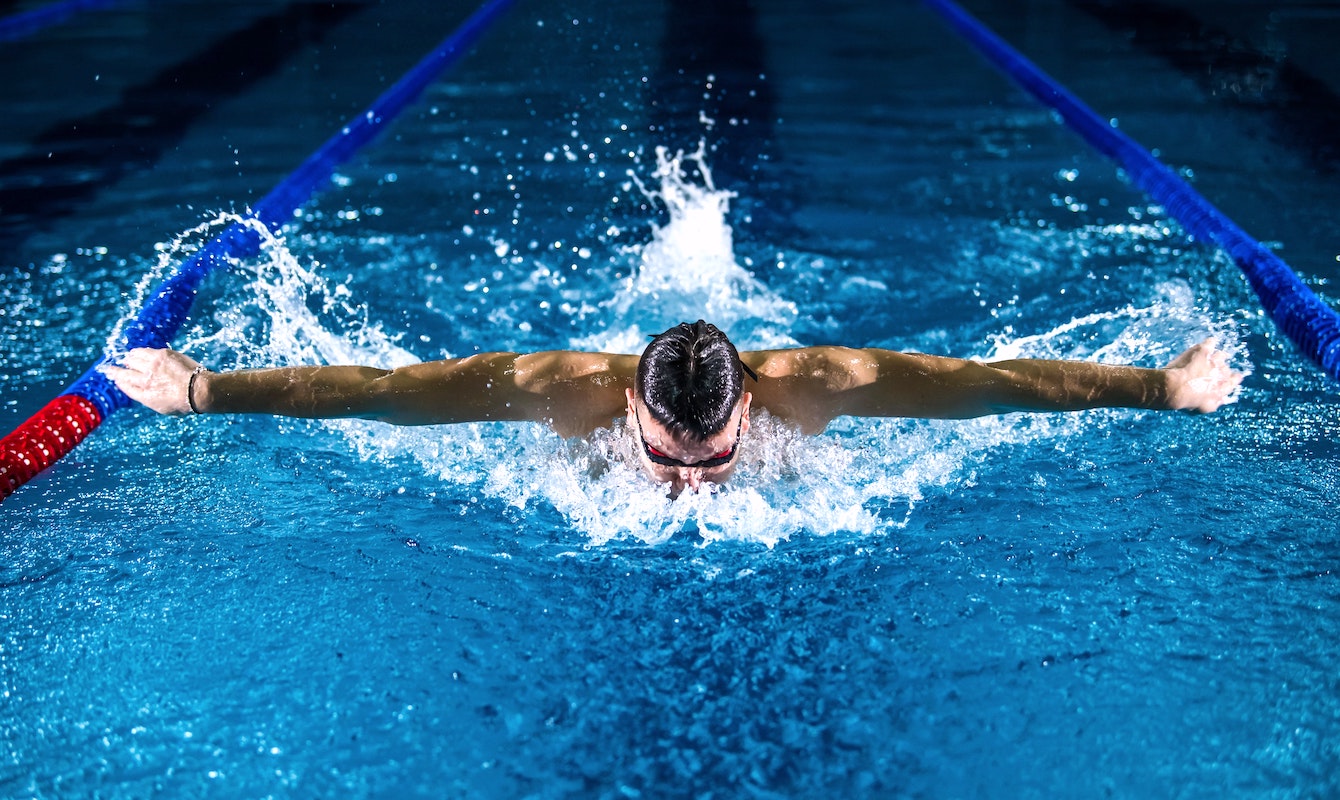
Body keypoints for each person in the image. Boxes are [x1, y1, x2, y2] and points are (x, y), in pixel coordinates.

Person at [104, 320, 1243, 495]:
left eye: (707, 459)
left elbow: (994, 385)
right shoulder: (560, 393)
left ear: (750, 398)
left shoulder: (825, 384)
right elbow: (386, 395)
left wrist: (1162, 387)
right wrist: (203, 389)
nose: (685, 483)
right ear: (631, 409)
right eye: (665, 454)